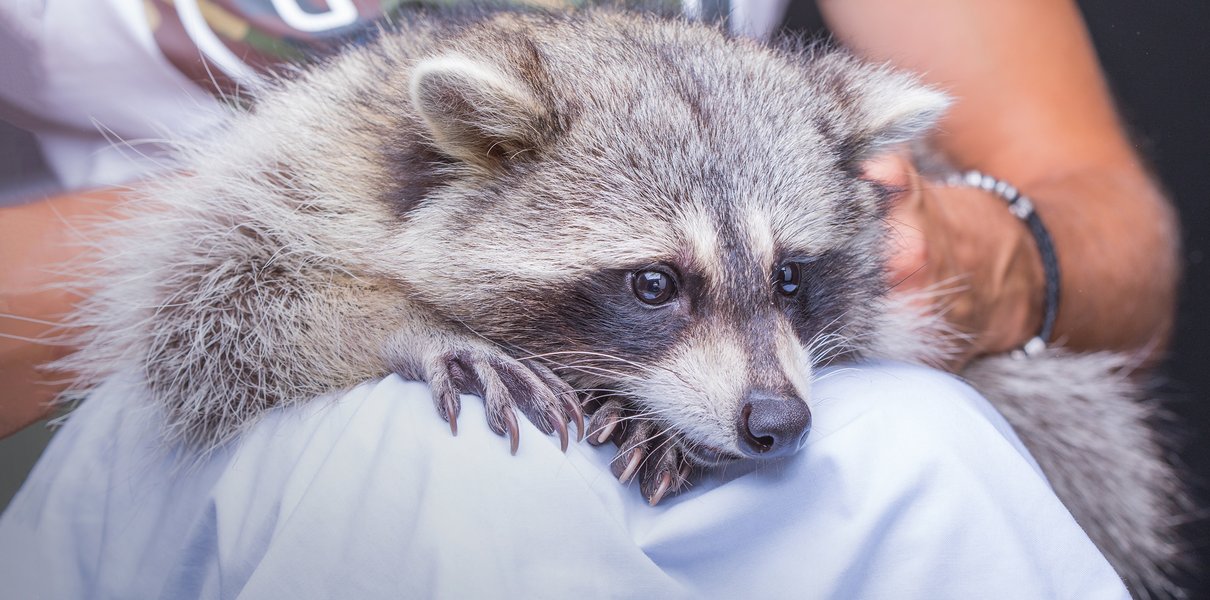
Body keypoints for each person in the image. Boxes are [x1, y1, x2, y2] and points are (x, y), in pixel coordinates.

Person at [0, 0, 1177, 597]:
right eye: (657, 290)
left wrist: (986, 246)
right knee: (448, 457)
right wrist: (378, 290)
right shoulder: (394, 167)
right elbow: (213, 335)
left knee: (928, 446)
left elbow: (1103, 221)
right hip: (175, 456)